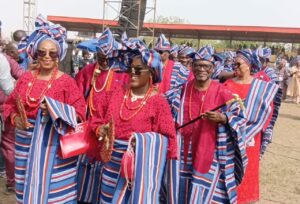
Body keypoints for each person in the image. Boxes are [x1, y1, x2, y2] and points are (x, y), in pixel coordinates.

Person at [4, 15, 86, 203]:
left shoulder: (67, 82)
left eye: (52, 53)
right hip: (25, 147)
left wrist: (56, 110)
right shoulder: (25, 78)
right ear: (35, 54)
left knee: (54, 195)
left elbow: (80, 113)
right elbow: (10, 105)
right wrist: (15, 118)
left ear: (59, 56)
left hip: (54, 148)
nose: (47, 57)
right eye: (42, 53)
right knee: (28, 191)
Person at [89, 39, 178, 203]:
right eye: (130, 69)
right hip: (110, 166)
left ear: (151, 73)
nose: (133, 73)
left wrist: (145, 142)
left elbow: (170, 142)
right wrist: (99, 129)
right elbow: (95, 119)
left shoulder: (158, 102)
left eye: (138, 70)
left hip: (138, 171)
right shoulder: (116, 94)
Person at [164, 46, 247, 203]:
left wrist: (223, 118)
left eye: (206, 66)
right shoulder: (181, 90)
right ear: (192, 67)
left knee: (203, 193)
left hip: (208, 151)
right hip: (180, 151)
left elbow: (241, 117)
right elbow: (163, 106)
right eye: (198, 66)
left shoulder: (223, 92)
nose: (202, 69)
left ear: (213, 69)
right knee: (177, 189)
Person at [75, 28, 128, 204]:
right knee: (86, 173)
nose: (104, 61)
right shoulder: (87, 71)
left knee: (108, 173)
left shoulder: (123, 74)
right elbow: (77, 97)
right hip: (89, 127)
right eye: (100, 57)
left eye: (108, 58)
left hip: (112, 131)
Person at [223, 49, 278, 203]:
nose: (235, 66)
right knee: (231, 169)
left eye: (238, 63)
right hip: (230, 136)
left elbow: (268, 111)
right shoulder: (228, 83)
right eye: (234, 63)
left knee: (248, 170)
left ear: (248, 65)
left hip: (251, 137)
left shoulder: (261, 86)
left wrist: (253, 129)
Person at [0, 41, 26, 192]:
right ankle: (12, 181)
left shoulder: (7, 60)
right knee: (10, 146)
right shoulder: (5, 61)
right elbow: (22, 78)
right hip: (6, 109)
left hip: (6, 109)